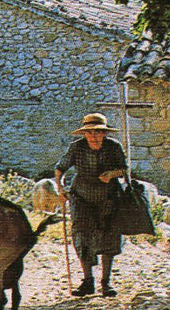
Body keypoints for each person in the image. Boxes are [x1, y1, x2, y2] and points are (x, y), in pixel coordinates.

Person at [55, 113, 129, 297]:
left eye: (98, 132)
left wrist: (111, 174)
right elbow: (60, 168)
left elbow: (125, 170)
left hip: (108, 197)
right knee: (81, 236)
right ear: (84, 134)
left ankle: (106, 283)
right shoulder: (76, 147)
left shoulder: (114, 147)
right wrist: (60, 187)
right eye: (89, 133)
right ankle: (88, 281)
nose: (93, 136)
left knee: (109, 236)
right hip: (81, 197)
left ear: (104, 133)